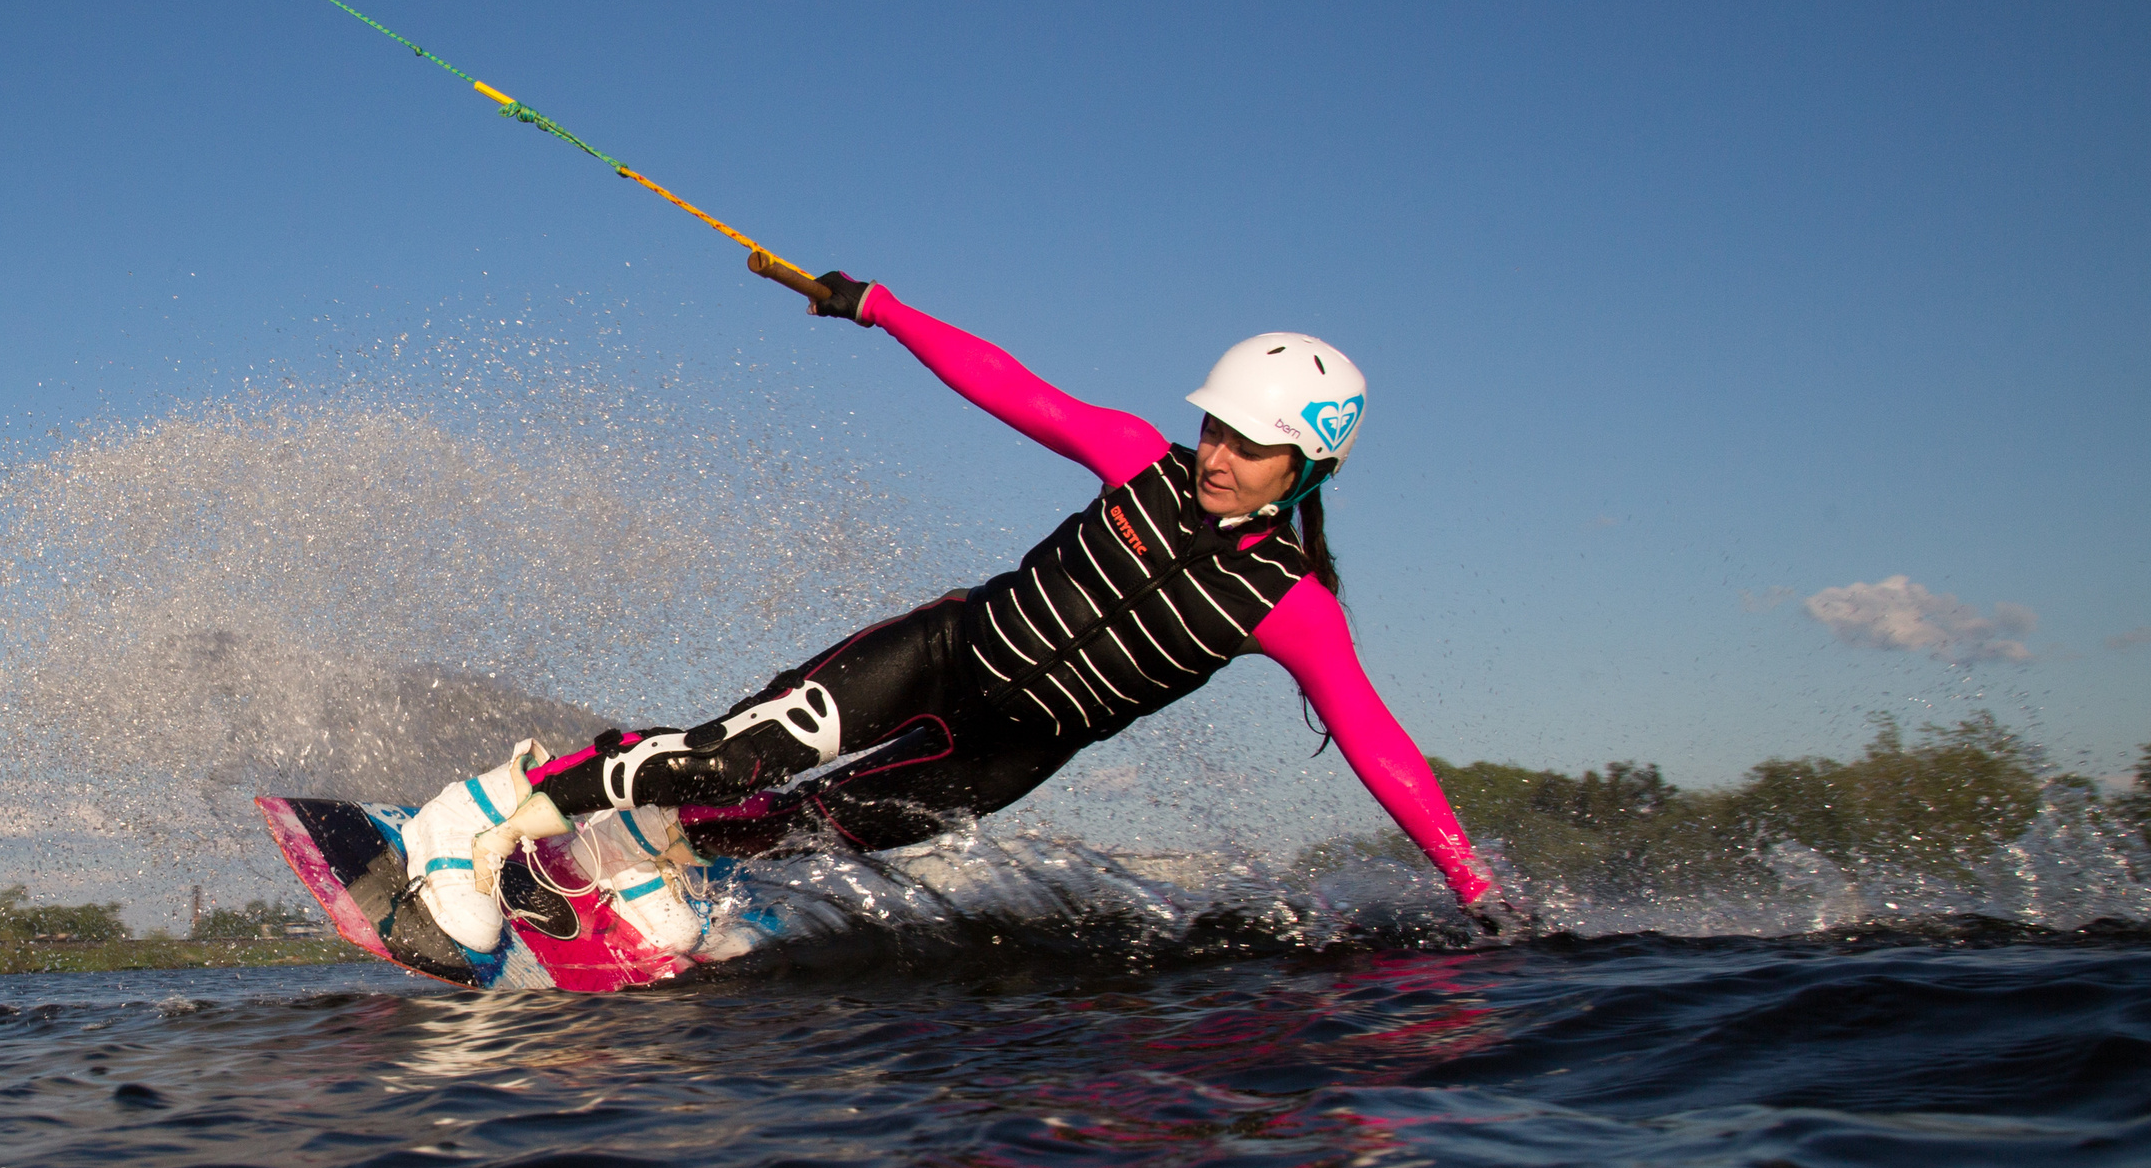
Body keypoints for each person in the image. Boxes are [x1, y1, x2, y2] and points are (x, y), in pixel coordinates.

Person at [402, 273, 1518, 954]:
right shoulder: (1139, 460)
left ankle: (639, 861)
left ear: (1308, 466)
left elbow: (1380, 747)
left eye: (1249, 444)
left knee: (807, 829)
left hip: (1004, 756)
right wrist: (879, 308)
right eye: (1216, 427)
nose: (1217, 454)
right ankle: (479, 816)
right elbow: (1008, 385)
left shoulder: (1292, 607)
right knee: (731, 758)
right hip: (936, 659)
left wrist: (1474, 889)